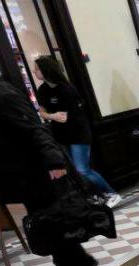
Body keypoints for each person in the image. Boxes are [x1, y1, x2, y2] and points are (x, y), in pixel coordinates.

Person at [0, 76, 97, 266]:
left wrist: (54, 161)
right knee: (43, 219)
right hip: (21, 172)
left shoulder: (3, 94)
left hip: (38, 168)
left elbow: (35, 128)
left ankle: (82, 261)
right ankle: (64, 263)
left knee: (55, 216)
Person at [33, 57, 121, 209]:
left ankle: (111, 193)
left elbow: (76, 112)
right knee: (75, 171)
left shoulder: (66, 88)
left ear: (46, 69)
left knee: (82, 169)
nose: (34, 71)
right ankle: (95, 196)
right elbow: (42, 112)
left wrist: (64, 116)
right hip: (61, 135)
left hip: (78, 133)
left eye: (37, 69)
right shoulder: (42, 90)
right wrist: (53, 116)